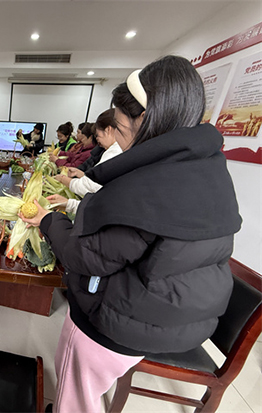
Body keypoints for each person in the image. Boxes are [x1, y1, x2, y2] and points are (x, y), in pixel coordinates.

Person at [19, 55, 242, 413]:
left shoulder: (148, 186)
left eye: (120, 130)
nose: (118, 144)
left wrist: (47, 220)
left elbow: (84, 256)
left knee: (76, 397)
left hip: (122, 322)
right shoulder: (209, 168)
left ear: (148, 120)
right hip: (170, 317)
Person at [49, 109, 123, 214]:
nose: (98, 140)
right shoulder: (113, 149)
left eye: (98, 135)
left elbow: (89, 187)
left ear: (108, 130)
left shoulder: (114, 152)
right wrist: (82, 174)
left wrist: (62, 179)